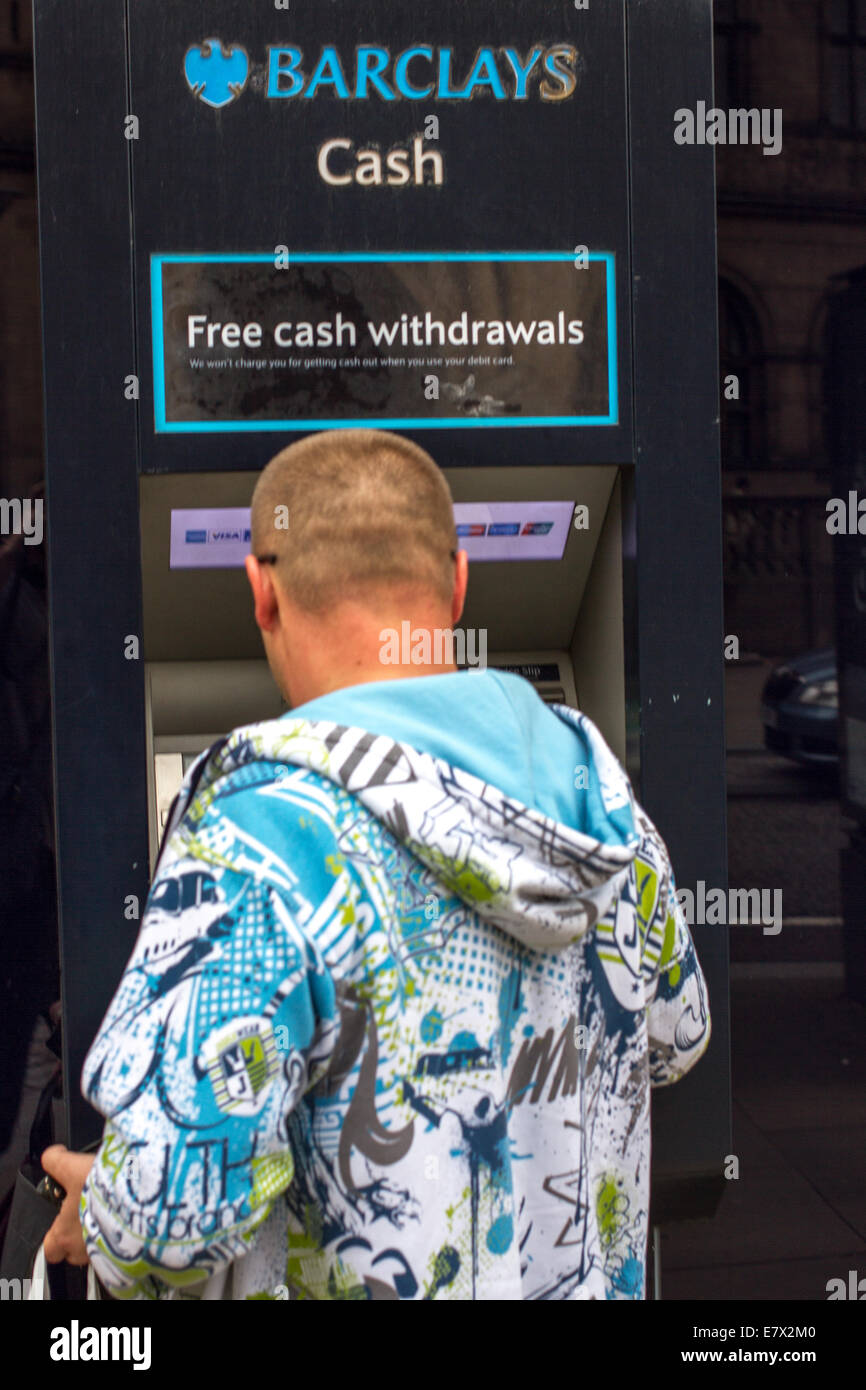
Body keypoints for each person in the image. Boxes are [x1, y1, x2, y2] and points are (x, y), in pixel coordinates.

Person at [42, 428, 710, 1300]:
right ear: (461, 580)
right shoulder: (589, 789)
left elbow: (171, 1220)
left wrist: (101, 1213)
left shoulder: (260, 832)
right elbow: (677, 1038)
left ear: (261, 592)